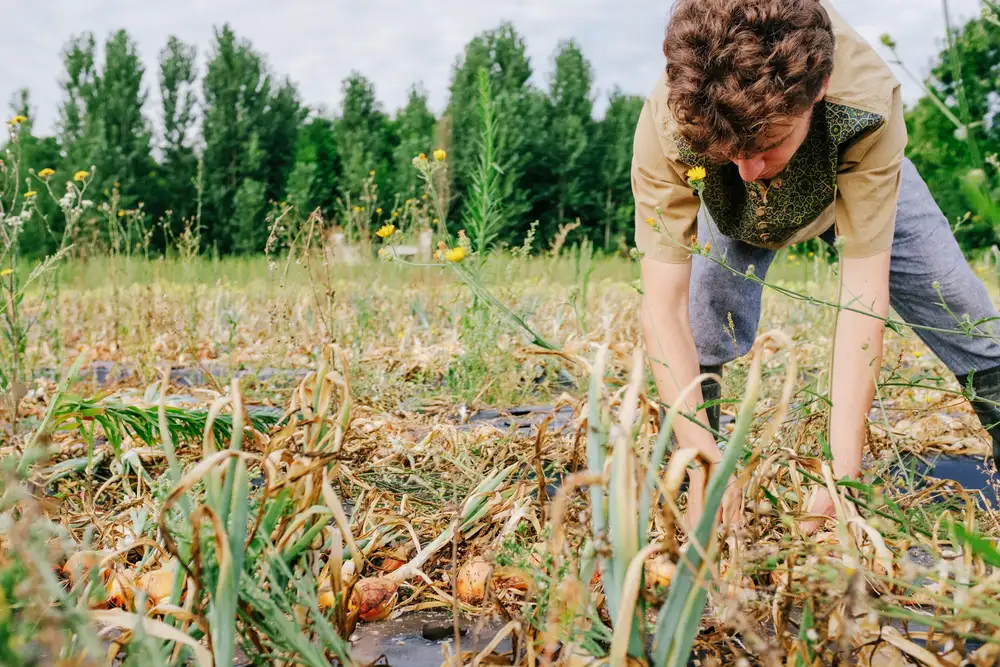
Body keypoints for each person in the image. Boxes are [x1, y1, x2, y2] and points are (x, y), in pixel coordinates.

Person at [634, 0, 1000, 528]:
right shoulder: (672, 123)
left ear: (821, 86)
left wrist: (842, 473)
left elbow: (862, 303)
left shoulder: (867, 100)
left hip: (849, 177)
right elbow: (661, 308)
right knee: (700, 319)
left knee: (964, 310)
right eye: (737, 151)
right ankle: (694, 468)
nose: (753, 170)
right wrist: (702, 462)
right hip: (721, 196)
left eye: (769, 144)